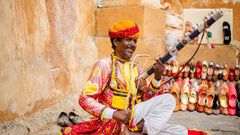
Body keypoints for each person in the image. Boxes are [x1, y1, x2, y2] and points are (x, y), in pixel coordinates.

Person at [60, 20, 188, 135]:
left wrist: (157, 78)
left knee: (180, 129)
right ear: (116, 41)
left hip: (132, 119)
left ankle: (135, 132)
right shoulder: (104, 66)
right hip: (111, 121)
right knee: (170, 109)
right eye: (128, 40)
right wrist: (114, 113)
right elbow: (85, 99)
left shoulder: (136, 68)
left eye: (134, 41)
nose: (132, 44)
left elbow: (147, 99)